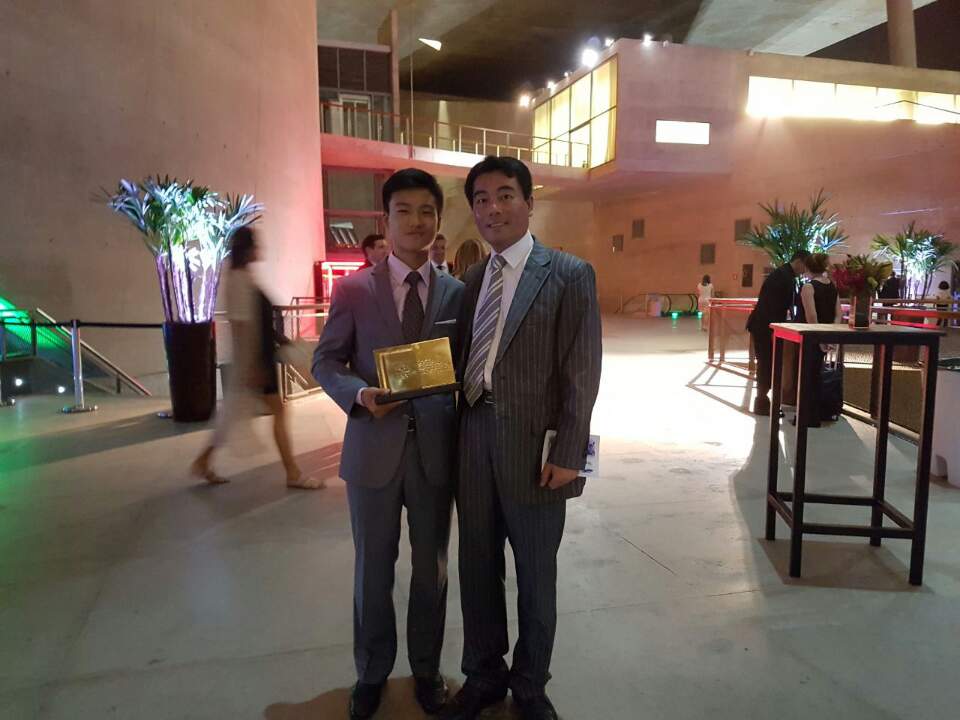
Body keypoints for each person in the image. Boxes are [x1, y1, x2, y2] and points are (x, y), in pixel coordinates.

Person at [439, 157, 601, 720]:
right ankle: (484, 675)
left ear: (530, 202)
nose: (493, 208)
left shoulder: (569, 274)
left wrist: (571, 452)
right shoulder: (470, 283)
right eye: (481, 199)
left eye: (505, 195)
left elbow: (583, 371)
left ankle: (530, 686)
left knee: (535, 572)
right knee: (477, 566)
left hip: (536, 450)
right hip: (472, 438)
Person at [312, 168, 464, 720]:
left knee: (431, 570)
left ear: (438, 220)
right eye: (404, 210)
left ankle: (426, 669)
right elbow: (326, 360)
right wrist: (358, 395)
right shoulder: (354, 290)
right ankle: (371, 673)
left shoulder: (458, 293)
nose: (416, 221)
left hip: (435, 455)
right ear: (387, 219)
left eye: (427, 211)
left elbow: (465, 367)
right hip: (373, 450)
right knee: (372, 571)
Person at [191, 227, 323, 489]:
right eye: (255, 245)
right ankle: (292, 473)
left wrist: (280, 342)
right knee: (275, 412)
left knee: (233, 415)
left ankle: (203, 461)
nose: (259, 249)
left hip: (256, 359)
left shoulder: (243, 277)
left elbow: (258, 322)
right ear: (247, 249)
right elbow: (241, 327)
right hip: (255, 361)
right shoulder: (240, 281)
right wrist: (253, 366)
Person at [746, 250, 810, 416]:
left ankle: (764, 402)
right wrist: (775, 330)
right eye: (805, 266)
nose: (804, 271)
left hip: (764, 325)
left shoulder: (784, 274)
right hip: (765, 326)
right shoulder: (784, 277)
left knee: (767, 363)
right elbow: (773, 307)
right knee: (766, 364)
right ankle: (762, 403)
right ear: (799, 261)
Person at [795, 253, 842, 427]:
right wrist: (830, 336)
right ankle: (818, 413)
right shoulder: (832, 286)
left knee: (807, 376)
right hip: (826, 334)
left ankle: (808, 416)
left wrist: (819, 339)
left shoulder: (809, 287)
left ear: (808, 267)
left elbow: (811, 316)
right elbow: (838, 314)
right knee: (816, 374)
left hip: (811, 337)